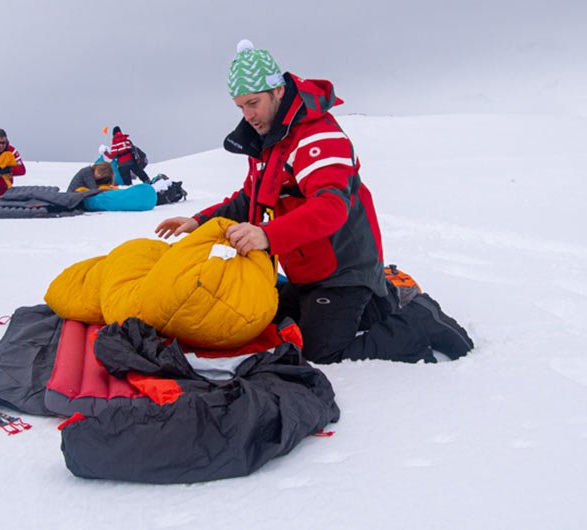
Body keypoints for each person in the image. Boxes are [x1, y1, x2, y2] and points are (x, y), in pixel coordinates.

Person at [155, 40, 473, 364]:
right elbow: (249, 197)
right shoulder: (271, 141)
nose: (248, 115)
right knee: (270, 318)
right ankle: (380, 302)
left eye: (253, 103)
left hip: (345, 269)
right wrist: (199, 220)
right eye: (240, 107)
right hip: (308, 270)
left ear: (277, 91)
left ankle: (420, 318)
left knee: (322, 351)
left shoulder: (316, 135)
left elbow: (330, 207)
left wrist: (267, 235)